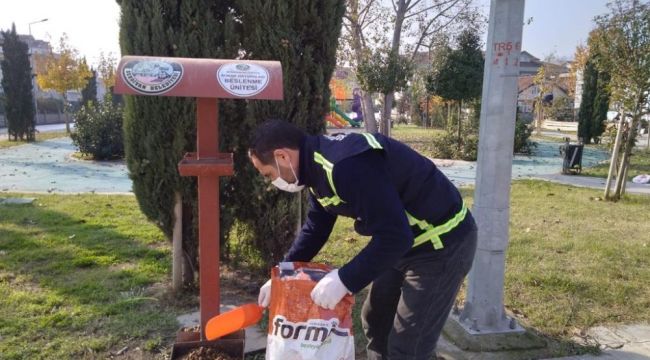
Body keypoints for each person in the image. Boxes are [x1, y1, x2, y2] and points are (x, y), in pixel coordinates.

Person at [249, 120, 477, 360]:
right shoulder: (313, 169)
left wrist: (345, 278)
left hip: (442, 243)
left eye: (269, 174)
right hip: (405, 242)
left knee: (409, 345)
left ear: (282, 156)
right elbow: (316, 226)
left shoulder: (344, 166)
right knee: (376, 320)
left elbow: (395, 236)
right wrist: (282, 272)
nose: (273, 182)